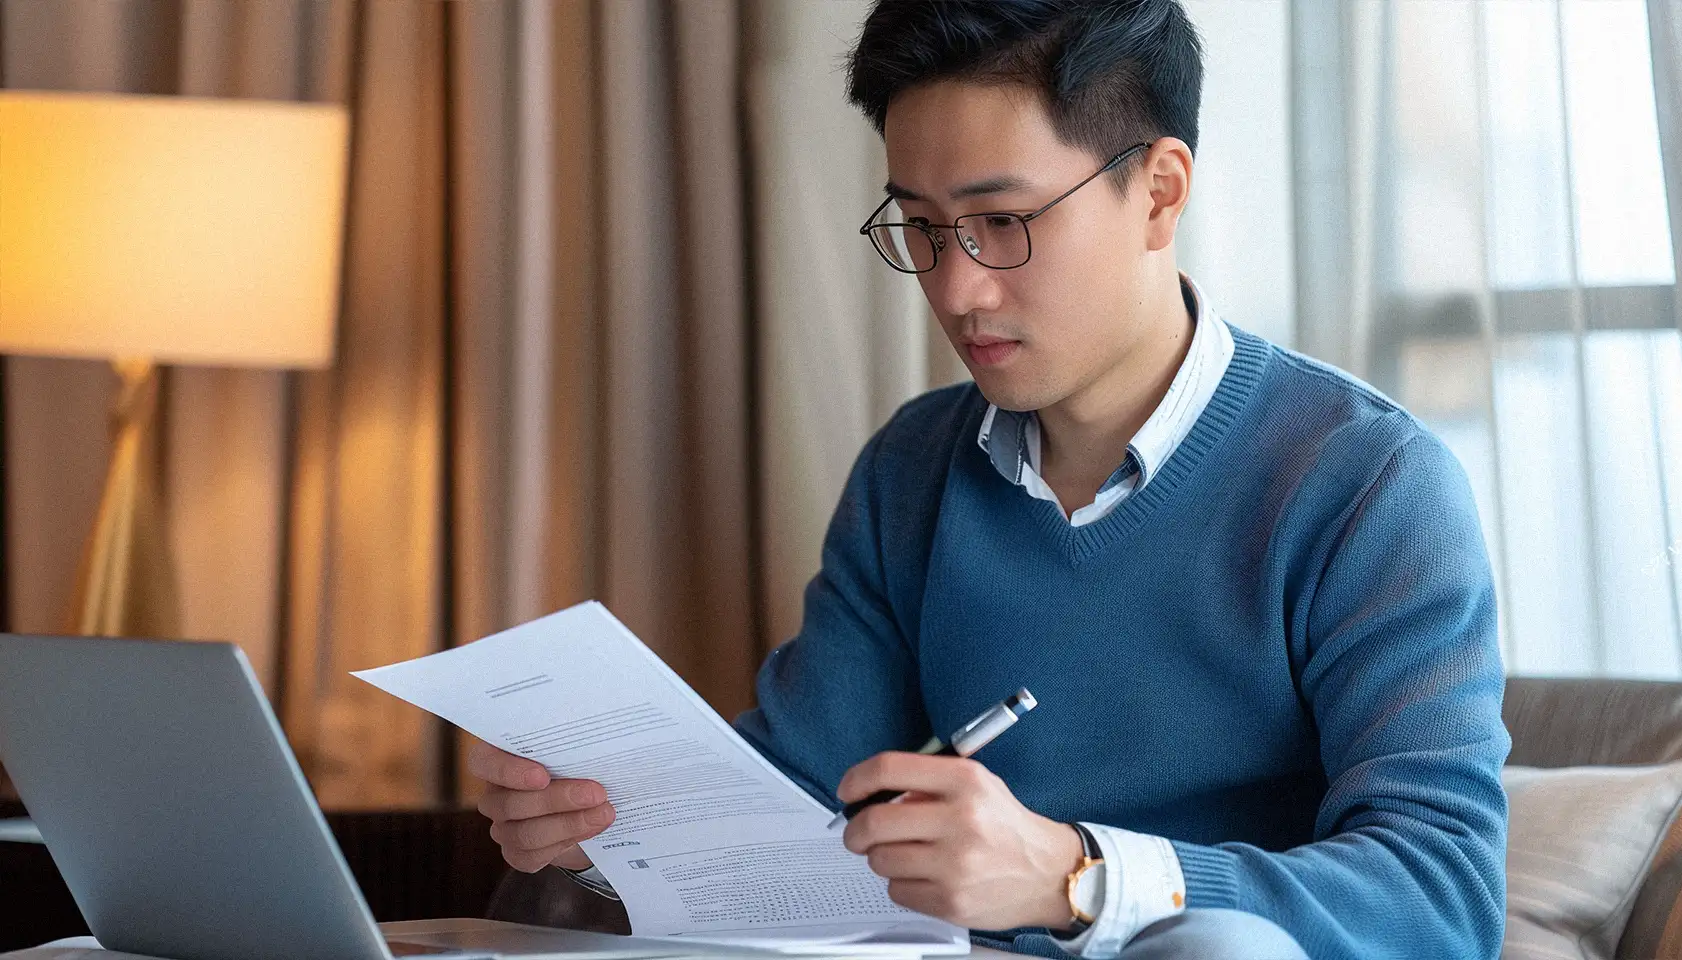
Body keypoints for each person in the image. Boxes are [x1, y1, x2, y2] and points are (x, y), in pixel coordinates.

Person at [468, 2, 1510, 957]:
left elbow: (1440, 894)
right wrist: (614, 828)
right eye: (921, 227)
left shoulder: (1368, 484)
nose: (958, 288)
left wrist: (1076, 876)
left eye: (1001, 222)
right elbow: (792, 801)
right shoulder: (912, 470)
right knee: (549, 905)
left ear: (1158, 192)